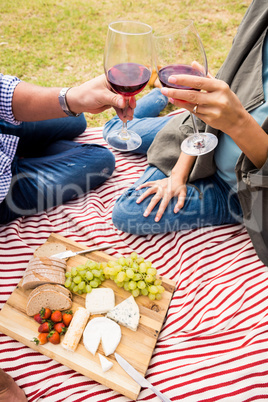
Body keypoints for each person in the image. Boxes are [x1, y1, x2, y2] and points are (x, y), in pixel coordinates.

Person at [103, 0, 268, 266]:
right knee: (112, 131)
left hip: (233, 191)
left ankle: (166, 94)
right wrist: (177, 173)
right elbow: (221, 89)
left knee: (128, 211)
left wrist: (237, 122)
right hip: (200, 133)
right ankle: (162, 94)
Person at [0, 74, 135, 224]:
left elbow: (3, 92)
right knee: (100, 159)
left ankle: (20, 150)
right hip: (6, 189)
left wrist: (75, 97)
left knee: (76, 117)